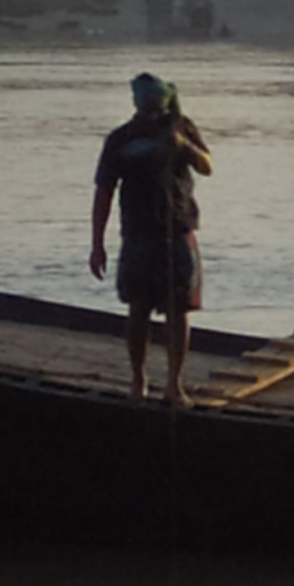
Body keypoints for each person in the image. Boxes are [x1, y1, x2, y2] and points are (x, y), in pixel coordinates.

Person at [87, 72, 213, 402]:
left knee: (179, 309)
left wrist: (183, 145)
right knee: (138, 307)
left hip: (179, 228)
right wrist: (97, 244)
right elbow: (103, 193)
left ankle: (175, 383)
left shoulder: (182, 129)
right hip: (138, 233)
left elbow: (207, 166)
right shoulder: (120, 140)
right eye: (145, 109)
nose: (150, 116)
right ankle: (138, 379)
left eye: (155, 109)